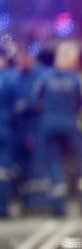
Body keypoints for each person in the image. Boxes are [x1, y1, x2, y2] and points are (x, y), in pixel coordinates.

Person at [38, 40, 82, 217]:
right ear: (72, 59)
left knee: (54, 164)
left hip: (49, 127)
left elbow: (37, 102)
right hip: (71, 126)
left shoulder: (44, 77)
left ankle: (58, 206)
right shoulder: (78, 79)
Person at [13, 40, 49, 213]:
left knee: (38, 165)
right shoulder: (19, 76)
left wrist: (26, 105)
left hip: (37, 127)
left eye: (21, 56)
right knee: (24, 168)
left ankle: (39, 203)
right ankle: (28, 202)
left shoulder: (41, 75)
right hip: (21, 128)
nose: (18, 61)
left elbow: (42, 103)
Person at [0, 46, 17, 218]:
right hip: (5, 129)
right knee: (3, 171)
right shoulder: (10, 78)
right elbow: (16, 106)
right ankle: (2, 207)